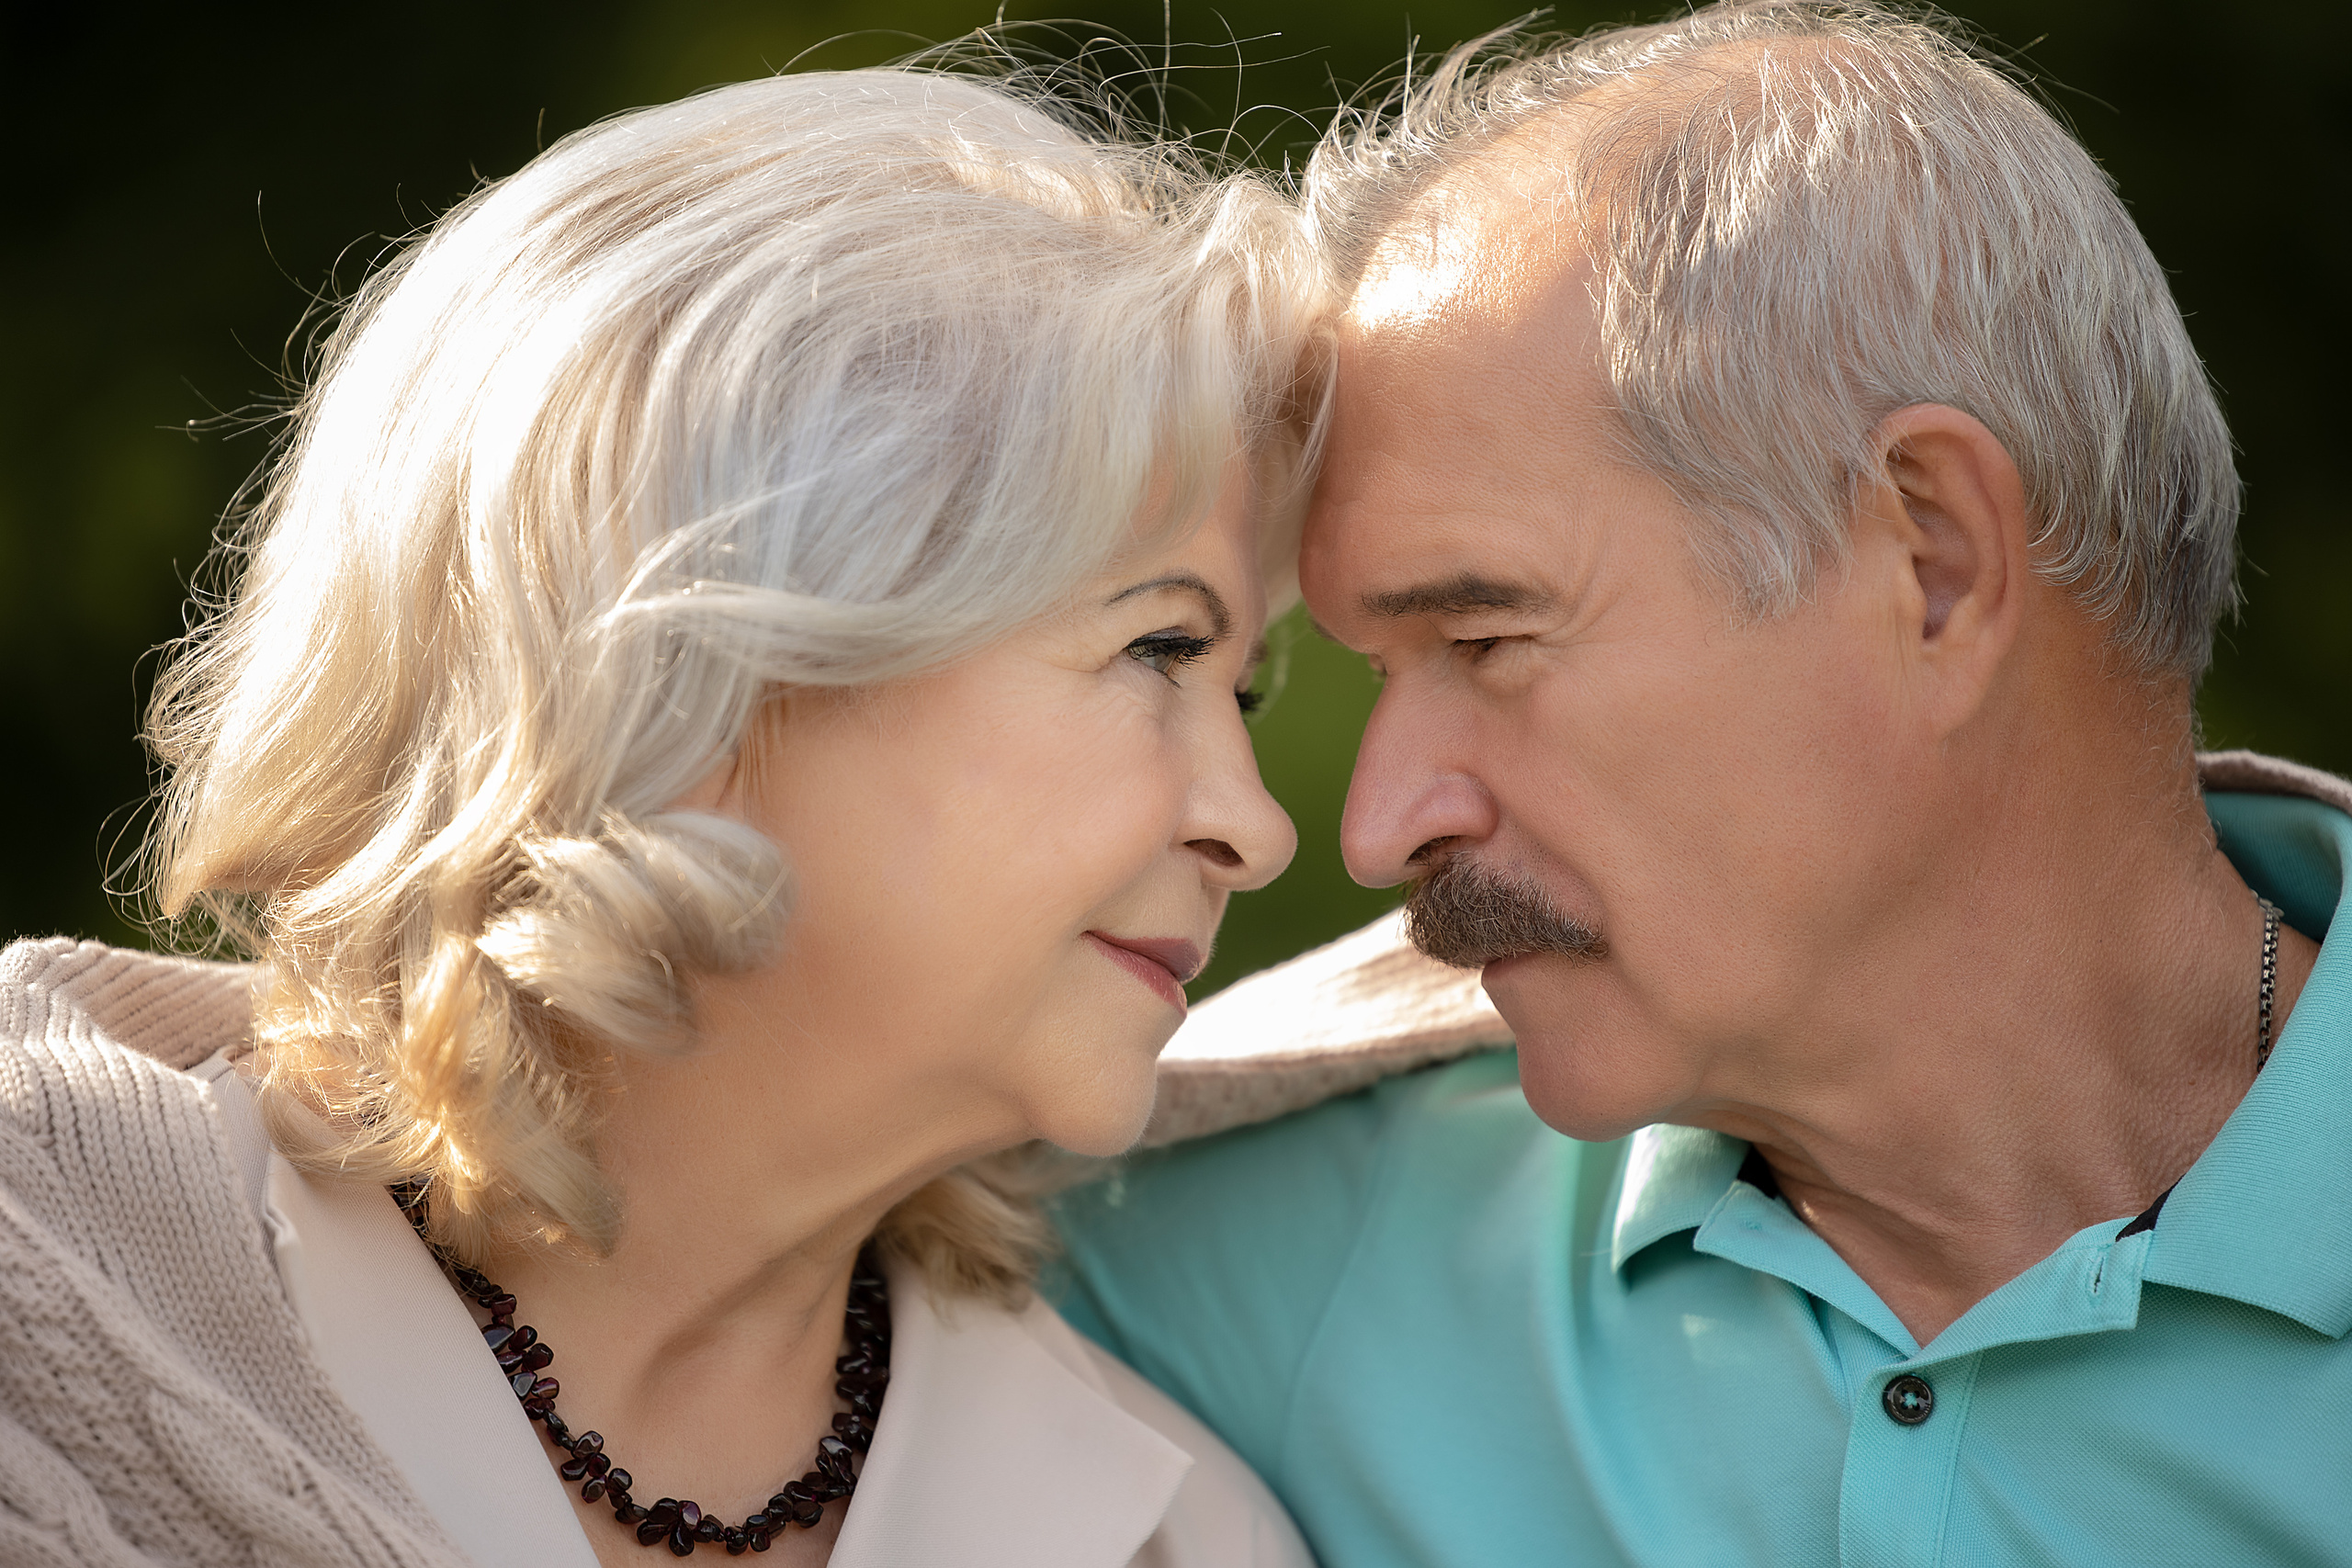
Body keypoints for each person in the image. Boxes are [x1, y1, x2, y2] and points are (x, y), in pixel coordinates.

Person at [1049, 3, 2352, 1563]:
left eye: (1485, 633)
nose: (1379, 825)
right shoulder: (1191, 1240)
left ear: (1932, 565)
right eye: (1379, 674)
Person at [0, 65, 1323, 1568]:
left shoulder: (1183, 1538)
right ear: (694, 653)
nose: (1255, 827)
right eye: (1161, 647)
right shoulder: (39, 1276)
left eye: (1246, 692)